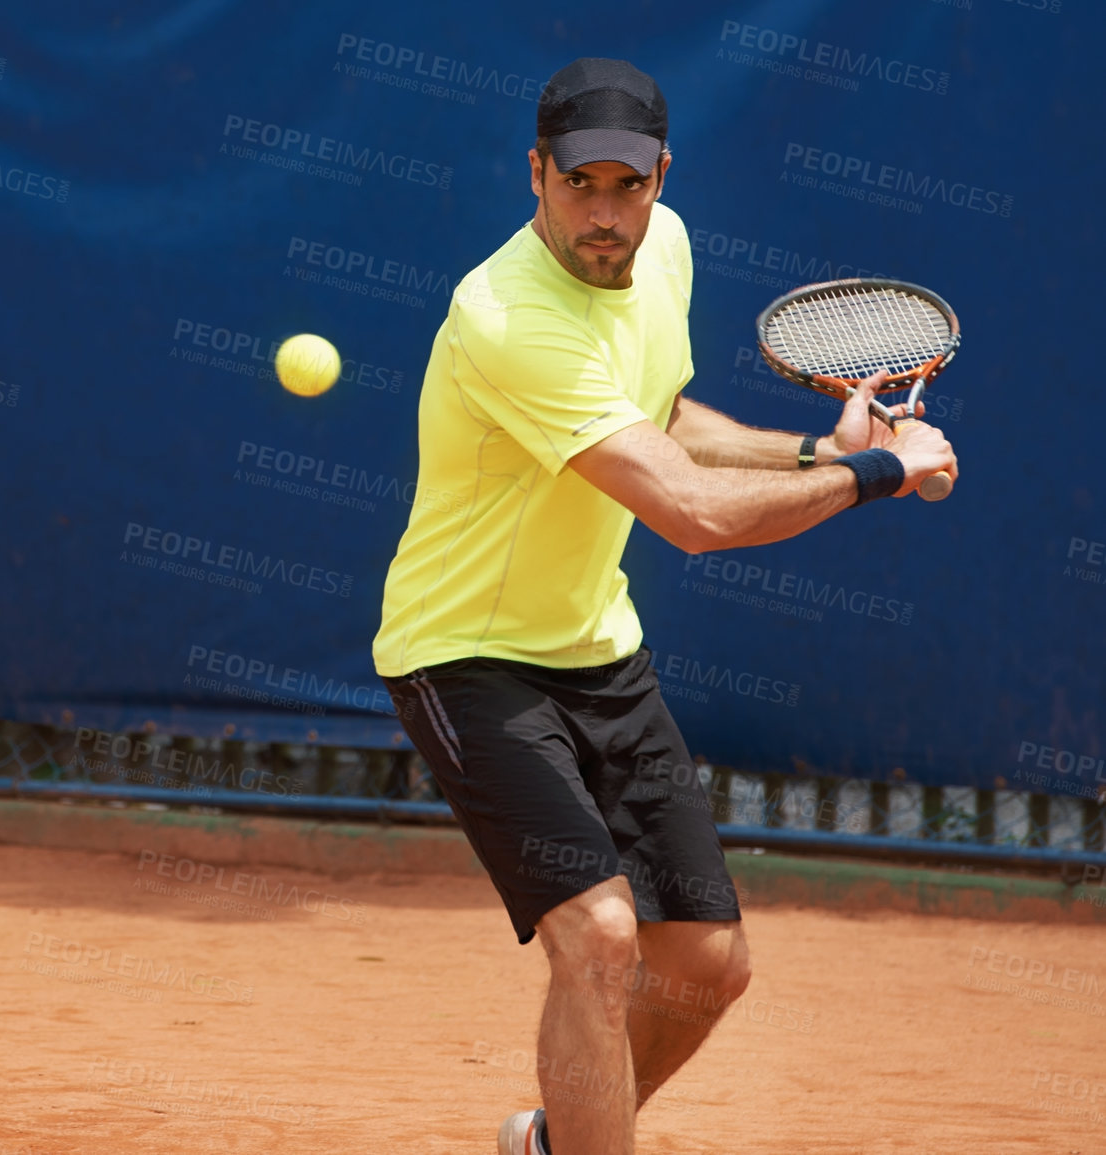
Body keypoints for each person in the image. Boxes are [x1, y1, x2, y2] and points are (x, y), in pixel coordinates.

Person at [372, 57, 956, 1155]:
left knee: (703, 963)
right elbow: (690, 514)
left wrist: (806, 449)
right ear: (533, 175)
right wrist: (876, 475)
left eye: (627, 187)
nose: (605, 214)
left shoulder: (666, 247)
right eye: (579, 184)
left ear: (661, 179)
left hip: (598, 646)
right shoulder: (505, 316)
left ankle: (560, 1140)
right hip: (465, 655)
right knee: (596, 938)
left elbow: (665, 414)